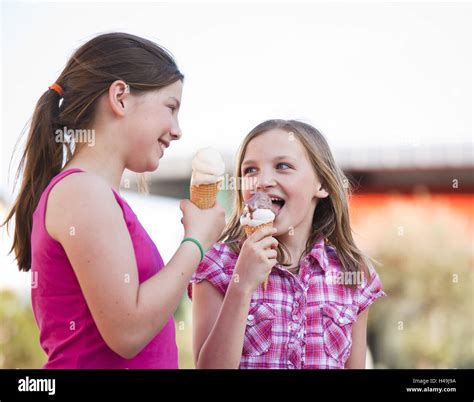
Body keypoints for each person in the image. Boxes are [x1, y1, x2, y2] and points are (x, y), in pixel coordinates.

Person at [2, 32, 225, 368]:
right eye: (171, 107)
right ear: (120, 97)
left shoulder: (93, 195)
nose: (177, 130)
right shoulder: (82, 193)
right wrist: (196, 241)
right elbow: (128, 332)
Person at [190, 119, 385, 369]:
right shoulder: (218, 264)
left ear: (322, 184)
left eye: (282, 166)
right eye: (250, 170)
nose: (261, 181)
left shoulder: (352, 273)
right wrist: (242, 285)